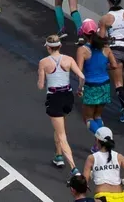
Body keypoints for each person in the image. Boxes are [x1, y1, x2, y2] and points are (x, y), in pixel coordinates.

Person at [39, 34, 85, 172]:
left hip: (54, 98)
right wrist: (79, 89)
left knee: (61, 134)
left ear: (48, 47)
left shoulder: (44, 62)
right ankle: (58, 155)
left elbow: (41, 86)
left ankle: (74, 169)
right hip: (68, 96)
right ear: (60, 46)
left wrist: (42, 80)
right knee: (59, 127)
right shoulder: (69, 59)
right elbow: (82, 77)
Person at [77, 20, 117, 136]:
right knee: (98, 116)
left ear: (83, 34)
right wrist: (103, 67)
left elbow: (79, 72)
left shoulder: (82, 50)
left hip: (91, 86)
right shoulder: (106, 47)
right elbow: (114, 65)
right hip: (104, 84)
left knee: (88, 119)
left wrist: (80, 89)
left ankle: (103, 139)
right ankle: (98, 144)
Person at [85, 127, 124, 202]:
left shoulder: (91, 158)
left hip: (103, 198)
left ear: (97, 140)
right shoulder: (119, 157)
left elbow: (84, 183)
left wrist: (92, 174)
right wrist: (123, 182)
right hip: (121, 198)